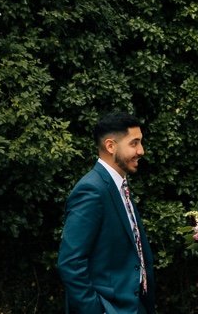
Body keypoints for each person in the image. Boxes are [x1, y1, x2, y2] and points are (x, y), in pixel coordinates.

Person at [58, 111, 158, 314]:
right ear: (110, 146)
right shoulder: (92, 190)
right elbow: (70, 262)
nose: (141, 151)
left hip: (134, 305)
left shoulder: (119, 186)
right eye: (134, 143)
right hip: (109, 308)